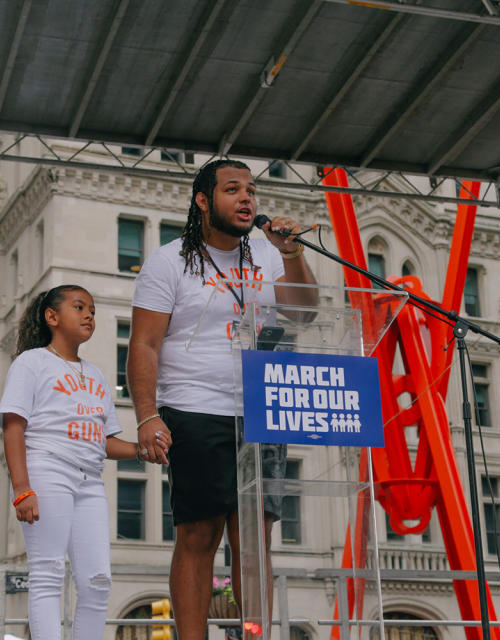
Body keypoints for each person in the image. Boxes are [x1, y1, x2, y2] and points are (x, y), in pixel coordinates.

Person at [128, 159, 317, 639]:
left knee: (254, 539)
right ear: (203, 201)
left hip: (262, 407)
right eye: (232, 189)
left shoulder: (270, 255)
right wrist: (148, 415)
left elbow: (304, 313)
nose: (247, 198)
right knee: (199, 532)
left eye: (251, 190)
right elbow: (144, 344)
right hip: (195, 406)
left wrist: (292, 253)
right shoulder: (169, 260)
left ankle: (252, 635)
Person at [0, 285, 170, 640]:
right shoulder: (31, 362)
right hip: (47, 470)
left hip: (89, 480)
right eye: (79, 307)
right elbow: (14, 427)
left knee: (97, 580)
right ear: (52, 317)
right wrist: (21, 488)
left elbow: (103, 442)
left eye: (92, 309)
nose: (89, 315)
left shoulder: (95, 375)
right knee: (47, 573)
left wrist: (141, 449)